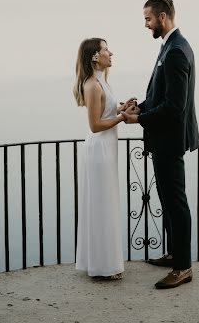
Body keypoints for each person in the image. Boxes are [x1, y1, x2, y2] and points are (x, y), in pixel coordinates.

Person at [121, 0, 199, 289]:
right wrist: (139, 107)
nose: (146, 24)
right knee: (167, 200)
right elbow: (160, 96)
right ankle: (174, 254)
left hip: (169, 141)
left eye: (148, 19)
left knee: (176, 203)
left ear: (163, 17)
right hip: (165, 138)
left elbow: (174, 106)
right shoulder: (171, 45)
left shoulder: (176, 50)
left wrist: (138, 120)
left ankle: (183, 268)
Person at [73, 37, 136, 280]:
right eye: (106, 49)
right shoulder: (92, 85)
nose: (111, 53)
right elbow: (95, 125)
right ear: (95, 57)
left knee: (105, 204)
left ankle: (101, 262)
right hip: (99, 149)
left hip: (107, 149)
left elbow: (105, 111)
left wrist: (120, 108)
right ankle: (103, 266)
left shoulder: (102, 82)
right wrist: (122, 118)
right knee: (101, 206)